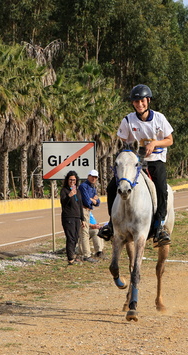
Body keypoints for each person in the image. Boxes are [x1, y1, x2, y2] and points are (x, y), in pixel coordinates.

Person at [98, 84, 174, 246]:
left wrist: (154, 144)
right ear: (133, 103)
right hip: (136, 162)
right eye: (136, 102)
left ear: (148, 101)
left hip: (155, 160)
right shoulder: (128, 120)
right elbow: (124, 141)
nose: (140, 104)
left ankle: (160, 225)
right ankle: (111, 224)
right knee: (112, 187)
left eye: (142, 101)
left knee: (161, 188)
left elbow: (170, 140)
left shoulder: (159, 118)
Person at [60, 170, 85, 265]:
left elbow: (80, 205)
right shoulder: (64, 191)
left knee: (75, 237)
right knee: (70, 238)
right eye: (70, 180)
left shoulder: (77, 191)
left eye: (74, 180)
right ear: (67, 180)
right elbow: (63, 203)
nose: (72, 182)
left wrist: (82, 219)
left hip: (77, 217)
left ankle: (73, 255)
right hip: (68, 217)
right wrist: (69, 196)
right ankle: (70, 258)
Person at [78, 169, 101, 261]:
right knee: (84, 232)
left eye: (95, 177)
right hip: (83, 210)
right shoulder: (83, 186)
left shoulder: (93, 187)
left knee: (89, 232)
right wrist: (93, 200)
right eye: (92, 176)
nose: (94, 178)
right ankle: (86, 255)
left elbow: (98, 202)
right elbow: (87, 201)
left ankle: (96, 252)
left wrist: (93, 200)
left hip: (88, 211)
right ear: (88, 176)